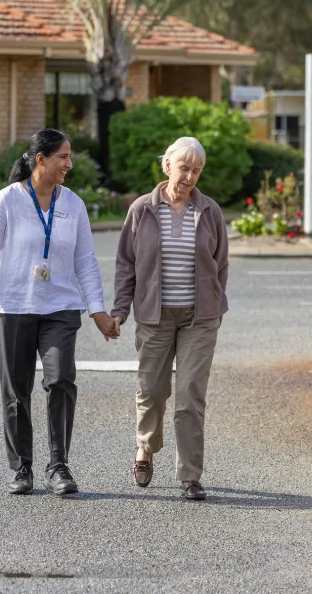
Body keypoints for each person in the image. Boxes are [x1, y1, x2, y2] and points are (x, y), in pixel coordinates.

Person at [0, 129, 118, 496]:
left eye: (70, 157)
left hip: (61, 307)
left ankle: (58, 465)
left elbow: (86, 262)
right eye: (63, 157)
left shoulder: (74, 205)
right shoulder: (7, 201)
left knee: (61, 379)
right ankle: (22, 469)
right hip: (13, 305)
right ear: (41, 160)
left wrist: (97, 310)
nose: (69, 164)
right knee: (16, 390)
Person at [110, 137, 229, 501]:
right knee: (152, 391)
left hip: (199, 319)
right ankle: (145, 448)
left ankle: (190, 475)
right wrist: (119, 310)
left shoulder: (210, 211)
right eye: (184, 168)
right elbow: (125, 264)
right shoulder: (142, 210)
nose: (189, 176)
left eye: (196, 170)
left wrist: (212, 302)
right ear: (167, 166)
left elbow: (221, 264)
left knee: (190, 396)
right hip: (154, 316)